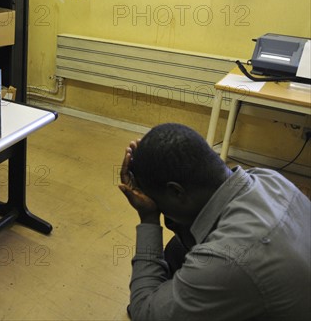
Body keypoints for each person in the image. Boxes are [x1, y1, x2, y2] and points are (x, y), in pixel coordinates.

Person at [117, 123, 310, 321]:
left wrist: (149, 217)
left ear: (176, 192)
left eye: (156, 200)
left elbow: (142, 312)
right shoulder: (268, 178)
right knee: (177, 249)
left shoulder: (226, 259)